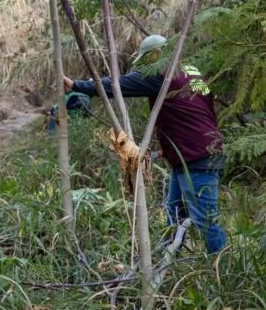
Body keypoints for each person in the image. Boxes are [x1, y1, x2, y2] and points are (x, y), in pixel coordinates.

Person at [64, 35, 229, 253]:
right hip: (196, 153)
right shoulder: (193, 71)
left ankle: (222, 267)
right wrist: (167, 149)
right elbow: (203, 110)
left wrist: (76, 85)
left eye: (145, 61)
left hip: (196, 158)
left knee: (206, 221)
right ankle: (170, 260)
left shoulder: (162, 74)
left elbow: (117, 85)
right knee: (174, 213)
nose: (144, 68)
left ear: (157, 55)